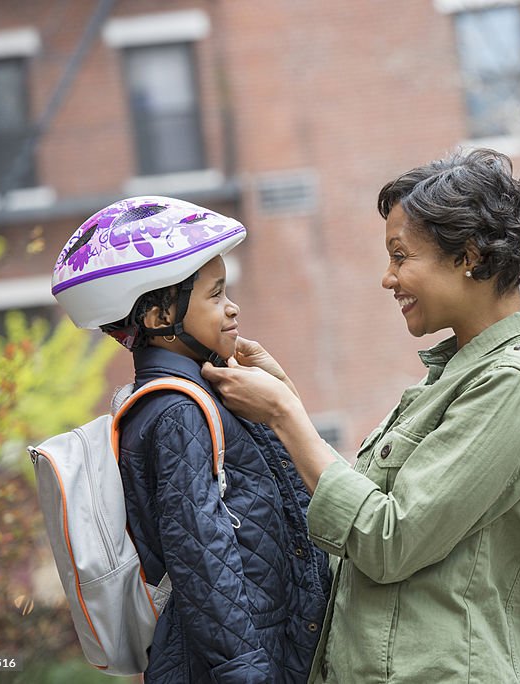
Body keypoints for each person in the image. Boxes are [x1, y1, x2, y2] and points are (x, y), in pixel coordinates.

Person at [202, 149, 520, 683]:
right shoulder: (456, 376)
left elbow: (388, 540)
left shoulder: (511, 383)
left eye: (401, 257)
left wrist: (286, 417)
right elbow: (369, 511)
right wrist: (288, 403)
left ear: (467, 256)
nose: (388, 278)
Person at [50, 196, 330, 683]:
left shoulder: (212, 394)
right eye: (216, 294)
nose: (232, 306)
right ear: (160, 316)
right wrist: (246, 674)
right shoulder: (179, 413)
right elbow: (205, 562)